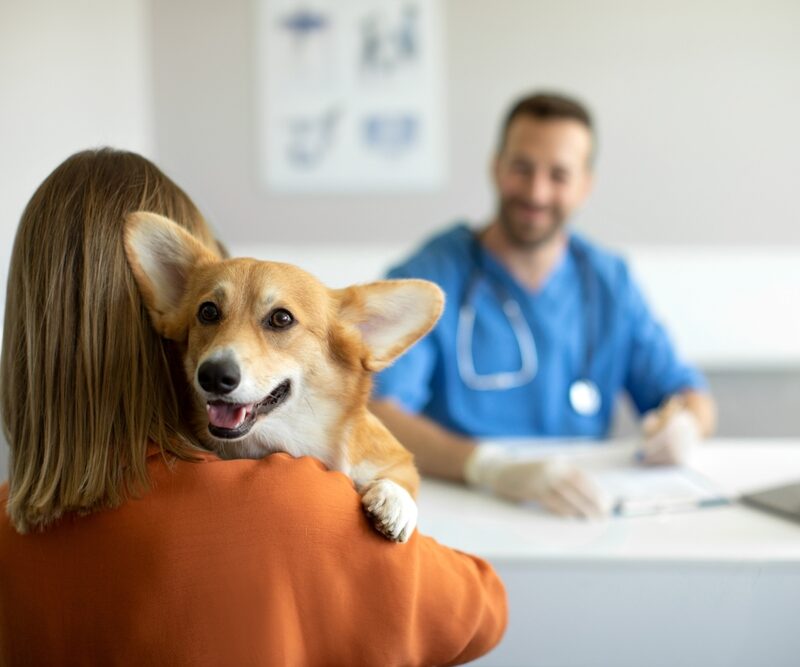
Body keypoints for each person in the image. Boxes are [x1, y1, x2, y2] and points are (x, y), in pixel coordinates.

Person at [0, 148, 507, 665]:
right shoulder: (293, 508)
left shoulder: (9, 530)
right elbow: (484, 610)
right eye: (210, 312)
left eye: (277, 320)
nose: (227, 349)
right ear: (164, 316)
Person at [370, 92, 717, 519]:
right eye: (522, 168)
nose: (536, 191)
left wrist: (686, 426)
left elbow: (688, 393)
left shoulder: (610, 282)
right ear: (496, 168)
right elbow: (376, 412)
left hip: (577, 508)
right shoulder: (430, 277)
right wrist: (488, 468)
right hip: (459, 503)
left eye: (559, 175)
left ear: (585, 185)